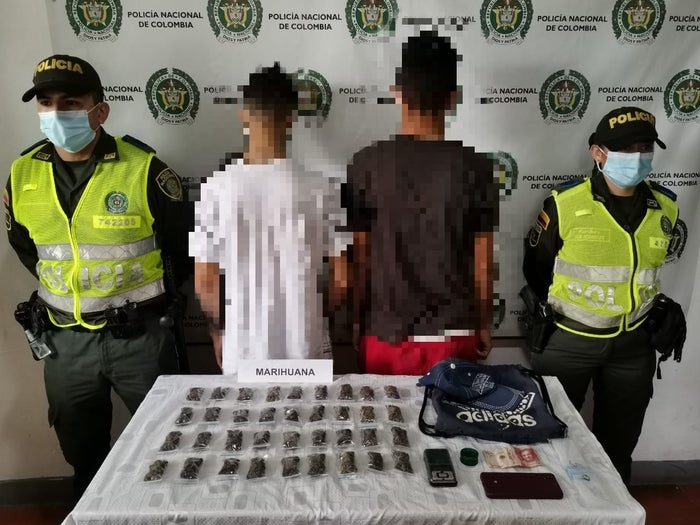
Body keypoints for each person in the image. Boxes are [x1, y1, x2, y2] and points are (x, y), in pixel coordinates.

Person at [4, 54, 188, 498]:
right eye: (46, 103)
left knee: (168, 443)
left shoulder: (144, 168)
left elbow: (182, 248)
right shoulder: (21, 173)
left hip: (140, 337)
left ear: (99, 110)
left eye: (70, 103)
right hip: (65, 342)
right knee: (81, 449)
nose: (56, 113)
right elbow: (26, 248)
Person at [523, 106, 680, 483]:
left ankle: (615, 504)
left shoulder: (666, 206)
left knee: (619, 444)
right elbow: (536, 267)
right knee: (548, 436)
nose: (637, 157)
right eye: (626, 148)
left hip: (633, 346)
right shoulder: (565, 202)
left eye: (645, 147)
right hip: (569, 339)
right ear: (597, 152)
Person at [343, 31, 498, 375]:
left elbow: (360, 258)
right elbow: (484, 263)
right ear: (453, 98)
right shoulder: (477, 168)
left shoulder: (366, 165)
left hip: (385, 335)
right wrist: (483, 323)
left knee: (382, 414)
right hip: (454, 336)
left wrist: (356, 320)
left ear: (397, 93)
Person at [190, 63, 348, 374]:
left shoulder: (215, 190)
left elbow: (205, 281)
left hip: (243, 351)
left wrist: (218, 332)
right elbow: (342, 279)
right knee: (310, 410)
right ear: (291, 118)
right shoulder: (323, 189)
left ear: (243, 114)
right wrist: (316, 318)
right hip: (307, 350)